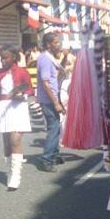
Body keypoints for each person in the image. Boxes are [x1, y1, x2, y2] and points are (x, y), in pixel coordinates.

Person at [0, 45, 33, 190]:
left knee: (15, 139)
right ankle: (10, 170)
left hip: (18, 107)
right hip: (3, 108)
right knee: (7, 143)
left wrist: (23, 94)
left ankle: (16, 174)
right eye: (1, 58)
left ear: (13, 57)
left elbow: (29, 88)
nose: (3, 61)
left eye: (6, 58)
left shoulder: (22, 71)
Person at [36, 33, 65, 172]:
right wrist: (56, 103)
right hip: (48, 99)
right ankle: (46, 159)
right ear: (48, 44)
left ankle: (54, 154)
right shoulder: (45, 59)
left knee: (56, 126)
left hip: (53, 96)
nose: (58, 45)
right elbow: (46, 83)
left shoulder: (50, 58)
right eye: (56, 43)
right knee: (53, 128)